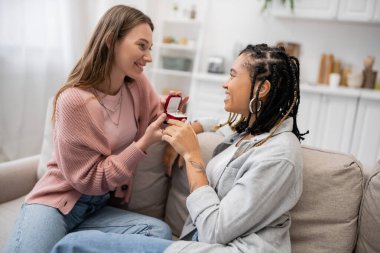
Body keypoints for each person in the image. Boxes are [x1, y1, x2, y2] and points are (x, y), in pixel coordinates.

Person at [50, 43, 306, 253]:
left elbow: (215, 231)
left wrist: (192, 154)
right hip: (195, 245)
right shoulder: (253, 132)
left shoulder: (279, 156)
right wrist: (190, 128)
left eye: (232, 75)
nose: (225, 84)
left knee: (73, 245)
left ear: (262, 89)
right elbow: (218, 124)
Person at [4, 5, 174, 253]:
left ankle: (71, 245)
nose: (148, 56)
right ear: (110, 41)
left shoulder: (137, 85)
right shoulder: (75, 101)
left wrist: (179, 135)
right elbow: (91, 180)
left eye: (150, 48)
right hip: (57, 204)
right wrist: (142, 145)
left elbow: (159, 115)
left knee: (157, 232)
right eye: (141, 46)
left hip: (98, 208)